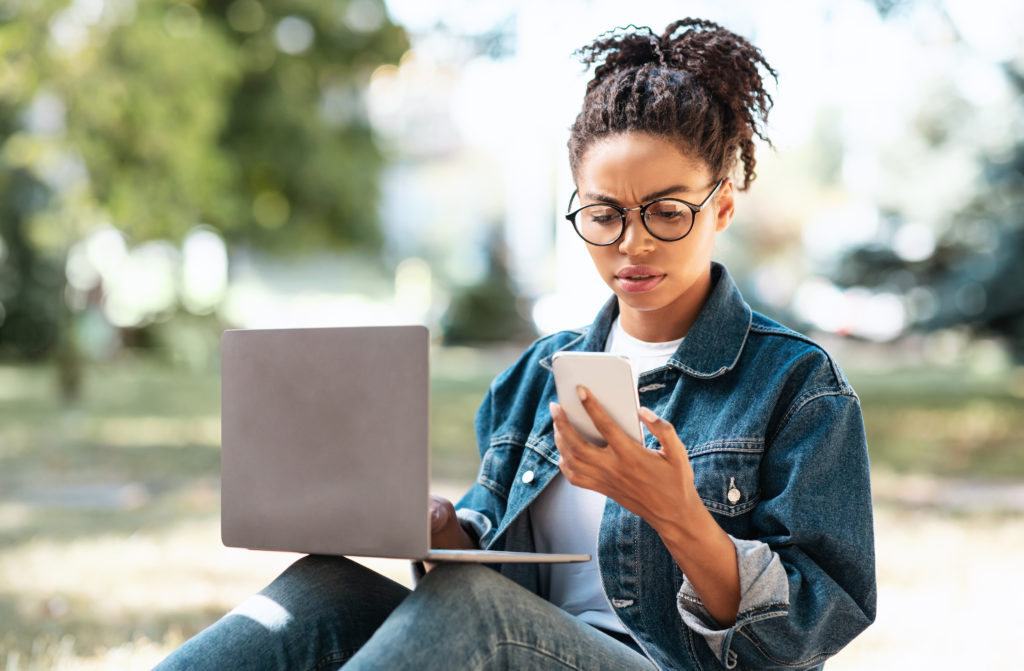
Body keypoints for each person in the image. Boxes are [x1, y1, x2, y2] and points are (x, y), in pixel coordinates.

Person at [155, 18, 876, 671]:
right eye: (604, 214)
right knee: (323, 586)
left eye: (666, 211)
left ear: (720, 204)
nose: (632, 242)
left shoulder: (795, 384)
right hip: (523, 646)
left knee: (478, 609)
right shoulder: (538, 373)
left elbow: (807, 628)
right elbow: (485, 577)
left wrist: (675, 511)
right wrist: (439, 530)